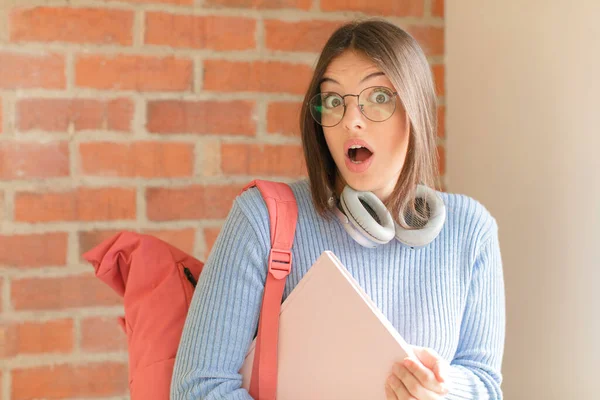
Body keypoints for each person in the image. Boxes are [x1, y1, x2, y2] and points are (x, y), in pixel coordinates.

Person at [171, 18, 505, 400]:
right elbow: (197, 388)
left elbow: (485, 385)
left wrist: (442, 388)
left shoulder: (471, 229)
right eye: (333, 101)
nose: (352, 120)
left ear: (416, 110)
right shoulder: (262, 218)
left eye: (378, 97)